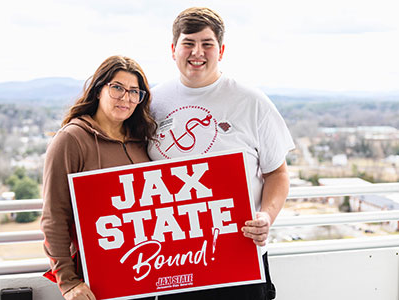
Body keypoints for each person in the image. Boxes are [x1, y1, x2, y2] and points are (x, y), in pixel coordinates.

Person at [148, 7, 295, 300]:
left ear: (221, 50)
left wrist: (266, 216)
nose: (196, 52)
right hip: (173, 260)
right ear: (173, 49)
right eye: (188, 43)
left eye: (207, 44)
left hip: (239, 257)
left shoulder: (252, 102)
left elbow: (277, 173)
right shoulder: (151, 103)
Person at [40, 55, 157, 300]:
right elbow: (54, 216)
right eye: (117, 88)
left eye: (134, 92)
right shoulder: (71, 140)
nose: (126, 98)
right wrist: (69, 282)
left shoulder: (142, 141)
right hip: (97, 280)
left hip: (146, 271)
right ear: (98, 90)